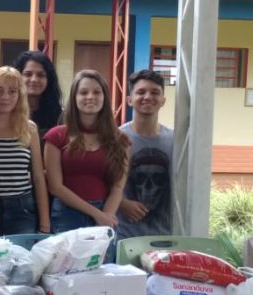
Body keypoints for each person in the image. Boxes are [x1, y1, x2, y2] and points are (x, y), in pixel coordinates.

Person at [44, 70, 130, 234]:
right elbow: (55, 186)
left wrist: (106, 217)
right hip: (66, 215)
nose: (90, 96)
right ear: (74, 98)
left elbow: (117, 188)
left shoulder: (121, 140)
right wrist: (96, 214)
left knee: (105, 261)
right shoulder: (56, 136)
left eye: (97, 92)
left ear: (105, 98)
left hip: (105, 213)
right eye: (83, 92)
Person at [0, 66, 51, 236]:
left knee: (21, 261)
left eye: (12, 91)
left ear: (20, 95)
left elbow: (38, 178)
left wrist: (45, 225)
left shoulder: (29, 129)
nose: (5, 97)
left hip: (21, 208)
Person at [117, 69, 173, 239]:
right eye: (141, 92)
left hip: (165, 236)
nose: (148, 97)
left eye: (155, 92)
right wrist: (122, 203)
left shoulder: (175, 141)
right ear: (129, 100)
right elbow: (102, 181)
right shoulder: (117, 138)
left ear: (163, 100)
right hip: (124, 236)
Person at [13, 51, 63, 140]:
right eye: (28, 74)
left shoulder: (60, 117)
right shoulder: (7, 112)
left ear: (49, 80)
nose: (34, 79)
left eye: (40, 75)